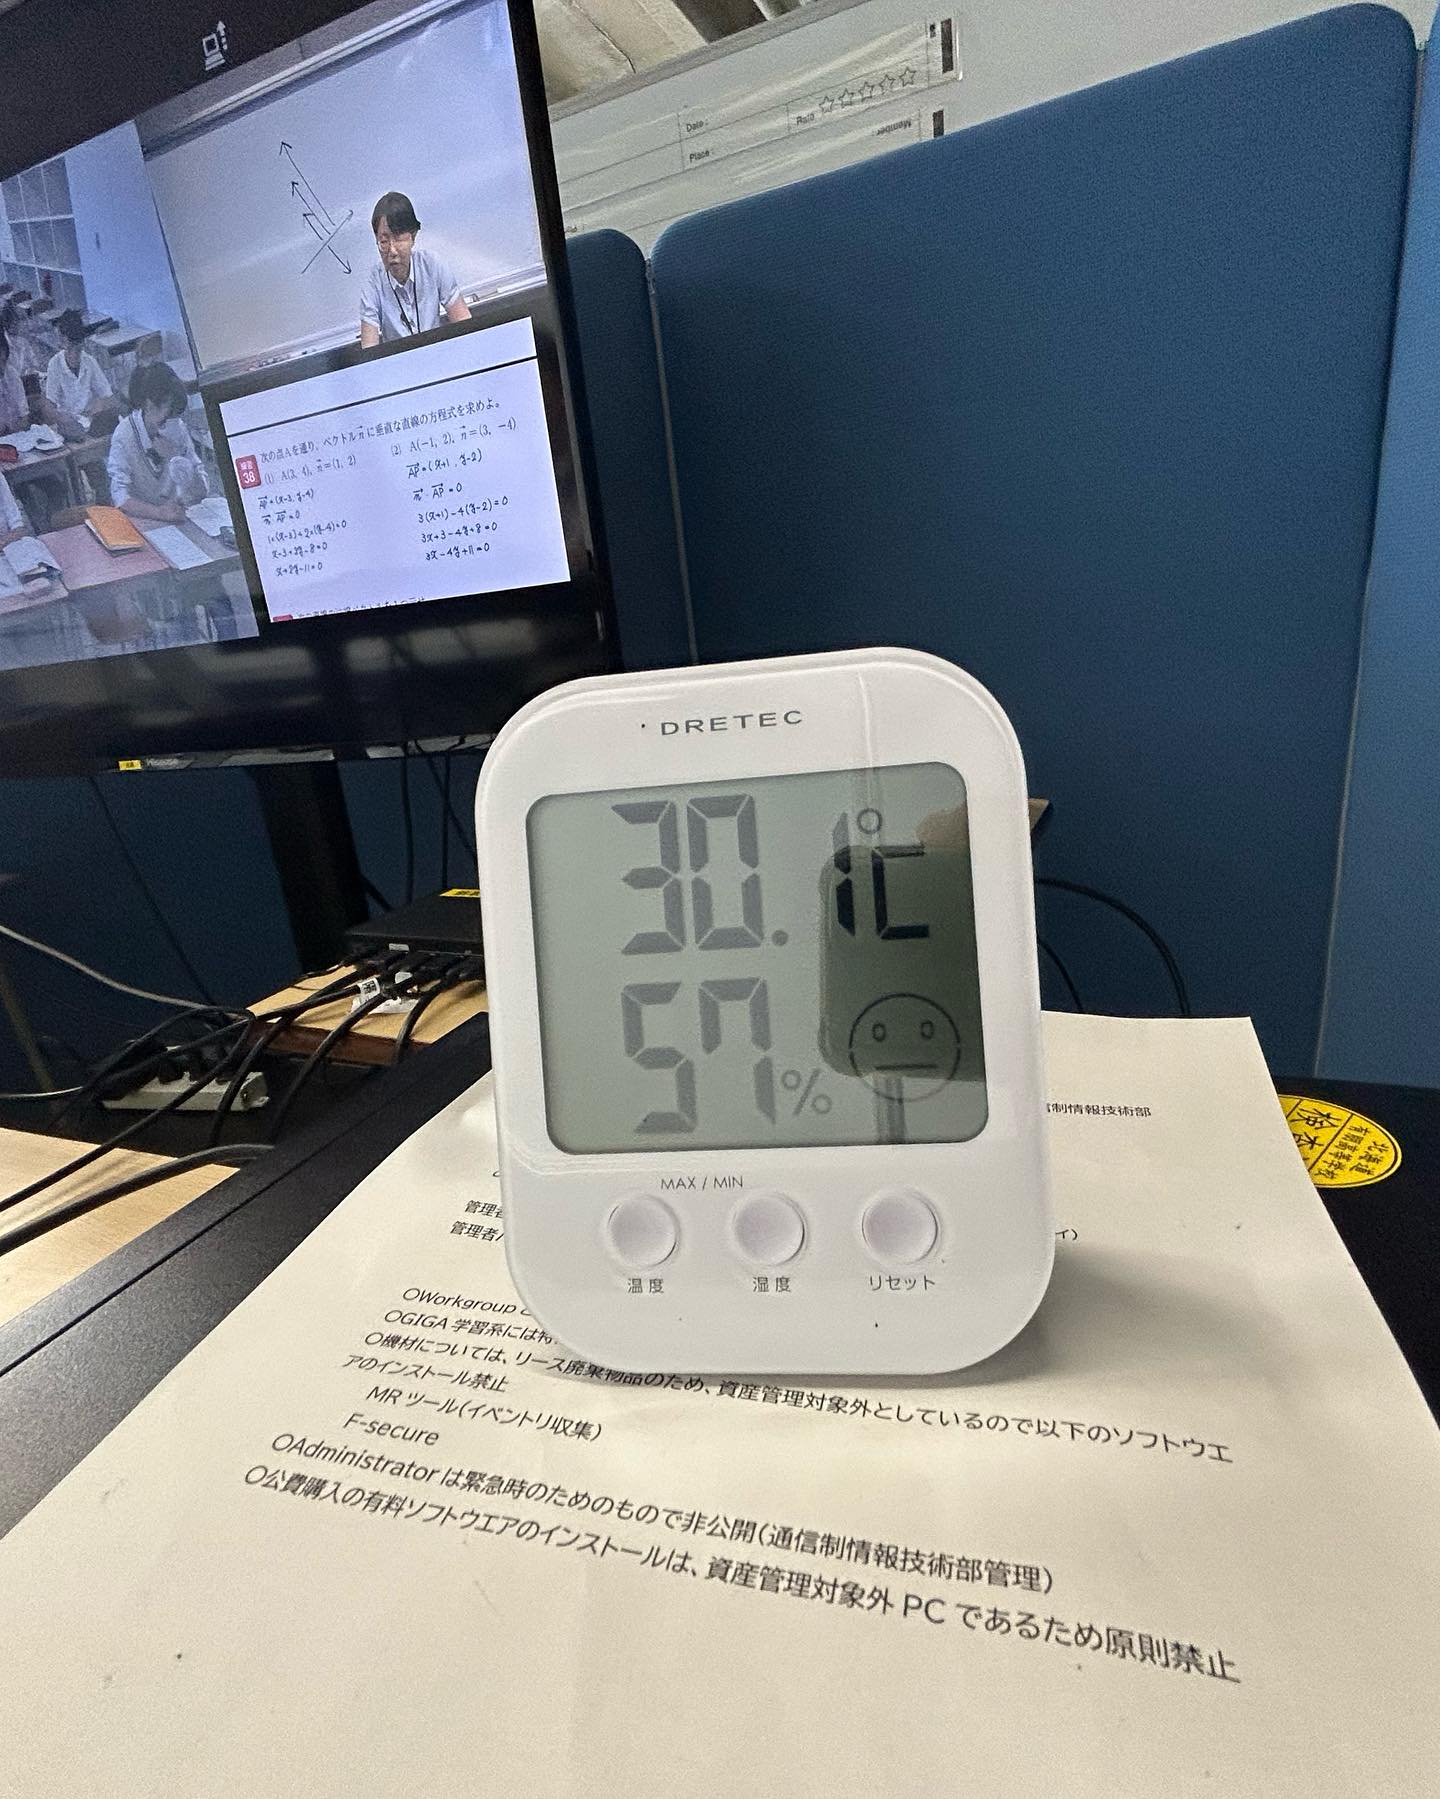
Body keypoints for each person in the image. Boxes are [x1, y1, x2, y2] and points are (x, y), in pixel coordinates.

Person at [359, 192, 470, 347]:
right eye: (383, 241)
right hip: (398, 360)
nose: (392, 250)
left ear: (413, 236)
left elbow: (465, 325)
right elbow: (369, 349)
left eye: (398, 239)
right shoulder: (373, 282)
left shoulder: (432, 264)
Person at [107, 361, 208, 523]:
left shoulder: (177, 427)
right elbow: (119, 496)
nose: (172, 423)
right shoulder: (124, 434)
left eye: (175, 416)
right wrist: (159, 513)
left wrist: (176, 458)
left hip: (177, 518)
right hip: (143, 519)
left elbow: (201, 490)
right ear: (149, 405)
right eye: (168, 415)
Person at [44, 310, 121, 441]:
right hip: (68, 426)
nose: (75, 355)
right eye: (71, 348)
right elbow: (49, 406)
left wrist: (99, 405)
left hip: (90, 423)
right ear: (63, 341)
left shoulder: (89, 361)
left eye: (78, 349)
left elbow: (108, 396)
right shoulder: (55, 364)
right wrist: (61, 417)